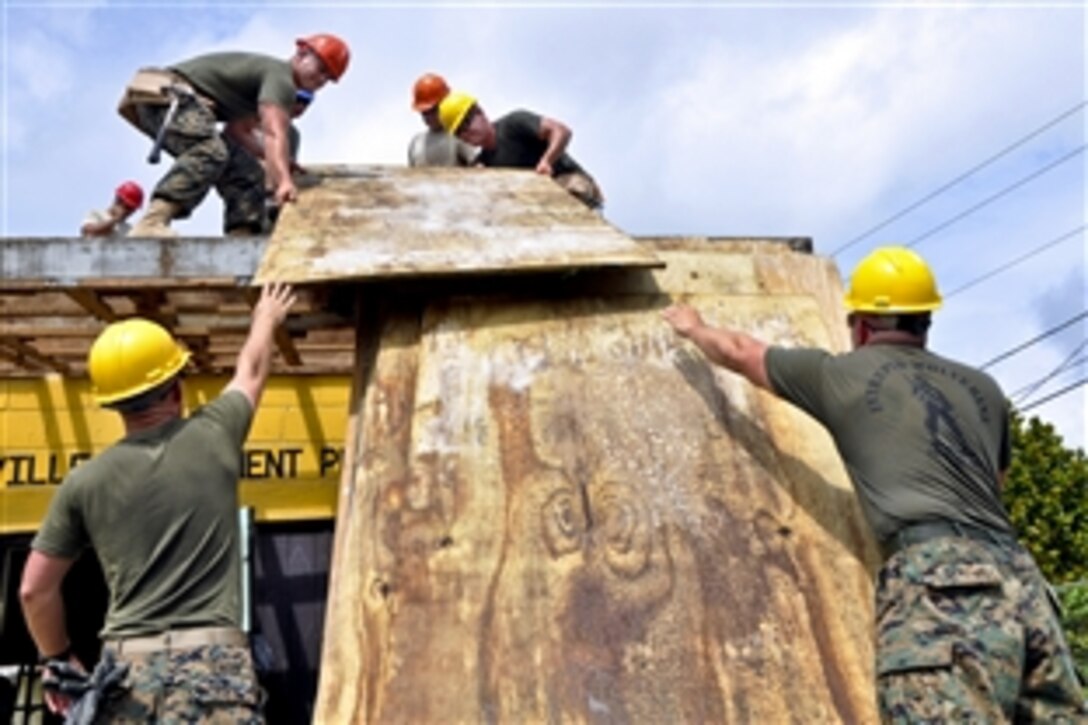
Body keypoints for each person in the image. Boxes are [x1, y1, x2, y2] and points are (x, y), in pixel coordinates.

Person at [662, 246, 1086, 722]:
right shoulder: (983, 387)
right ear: (926, 319)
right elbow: (995, 484)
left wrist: (693, 326)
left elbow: (743, 352)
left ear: (862, 324)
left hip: (941, 585)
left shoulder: (843, 374)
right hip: (1024, 583)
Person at [20, 282, 297, 721]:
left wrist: (58, 658)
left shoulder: (82, 483)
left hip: (127, 679)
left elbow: (34, 590)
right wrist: (266, 317)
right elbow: (251, 370)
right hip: (214, 671)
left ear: (112, 404)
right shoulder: (214, 435)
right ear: (177, 388)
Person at [119, 34, 350, 237]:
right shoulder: (281, 77)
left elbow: (236, 133)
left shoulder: (269, 81)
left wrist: (279, 161)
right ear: (301, 54)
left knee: (245, 173)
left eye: (327, 78)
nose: (321, 80)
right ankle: (151, 224)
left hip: (183, 105)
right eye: (320, 69)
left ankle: (242, 236)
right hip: (167, 98)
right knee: (209, 152)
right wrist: (284, 182)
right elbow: (273, 131)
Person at [436, 91, 603, 209]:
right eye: (459, 132)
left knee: (568, 194)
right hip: (540, 202)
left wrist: (547, 161)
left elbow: (561, 131)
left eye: (466, 123)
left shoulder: (514, 124)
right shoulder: (484, 163)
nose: (466, 133)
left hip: (567, 180)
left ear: (480, 112)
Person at [407, 73, 479, 168]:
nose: (428, 117)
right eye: (424, 112)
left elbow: (478, 169)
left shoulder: (459, 137)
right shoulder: (416, 143)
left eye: (433, 111)